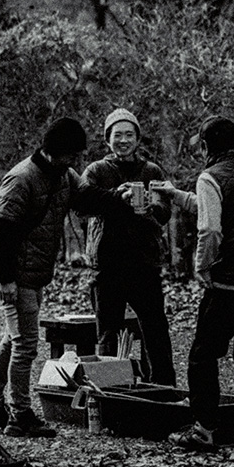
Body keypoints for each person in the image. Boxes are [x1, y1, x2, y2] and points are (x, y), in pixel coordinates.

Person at [0, 117, 129, 438]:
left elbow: (87, 198)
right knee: (25, 346)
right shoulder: (20, 179)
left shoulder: (63, 175)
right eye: (71, 155)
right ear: (54, 151)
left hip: (34, 273)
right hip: (17, 276)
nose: (76, 161)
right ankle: (20, 416)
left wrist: (117, 197)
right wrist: (6, 281)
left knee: (13, 338)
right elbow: (1, 234)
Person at [153, 116, 234, 451]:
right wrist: (177, 195)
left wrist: (202, 266)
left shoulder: (210, 177)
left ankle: (204, 428)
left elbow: (211, 229)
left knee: (202, 356)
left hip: (229, 284)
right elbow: (221, 210)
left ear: (206, 146)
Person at [80, 108, 175, 386]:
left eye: (129, 135)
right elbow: (82, 205)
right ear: (108, 139)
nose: (123, 141)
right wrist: (115, 197)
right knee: (108, 334)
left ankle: (162, 389)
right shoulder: (96, 171)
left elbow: (165, 213)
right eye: (117, 135)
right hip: (107, 264)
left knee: (155, 329)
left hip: (144, 262)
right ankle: (109, 392)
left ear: (137, 138)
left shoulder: (151, 170)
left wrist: (150, 206)